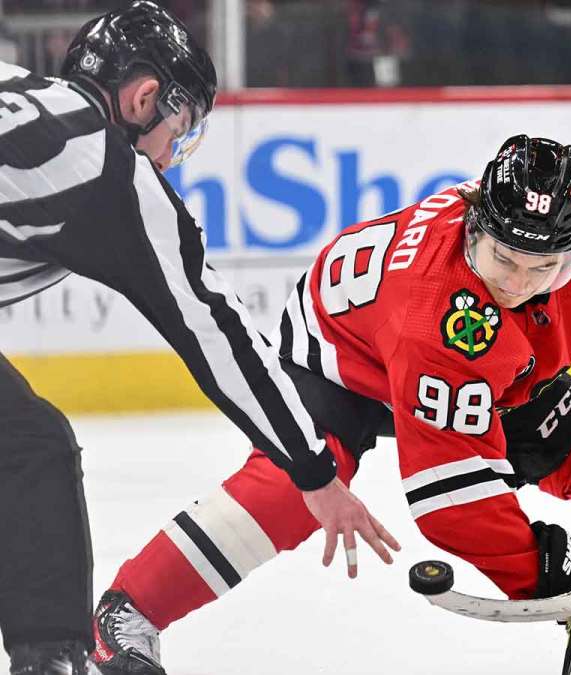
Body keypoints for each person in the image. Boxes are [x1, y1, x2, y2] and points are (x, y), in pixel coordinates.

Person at [88, 135, 571, 674]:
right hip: (339, 354)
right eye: (503, 259)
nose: (518, 283)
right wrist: (538, 570)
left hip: (499, 365)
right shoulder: (439, 321)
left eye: (546, 268)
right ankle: (128, 612)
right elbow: (448, 500)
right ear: (476, 224)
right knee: (297, 487)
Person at [0, 3, 400, 674]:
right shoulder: (104, 166)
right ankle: (51, 662)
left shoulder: (16, 84)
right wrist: (312, 467)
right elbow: (217, 331)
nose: (170, 159)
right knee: (32, 451)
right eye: (177, 133)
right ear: (143, 97)